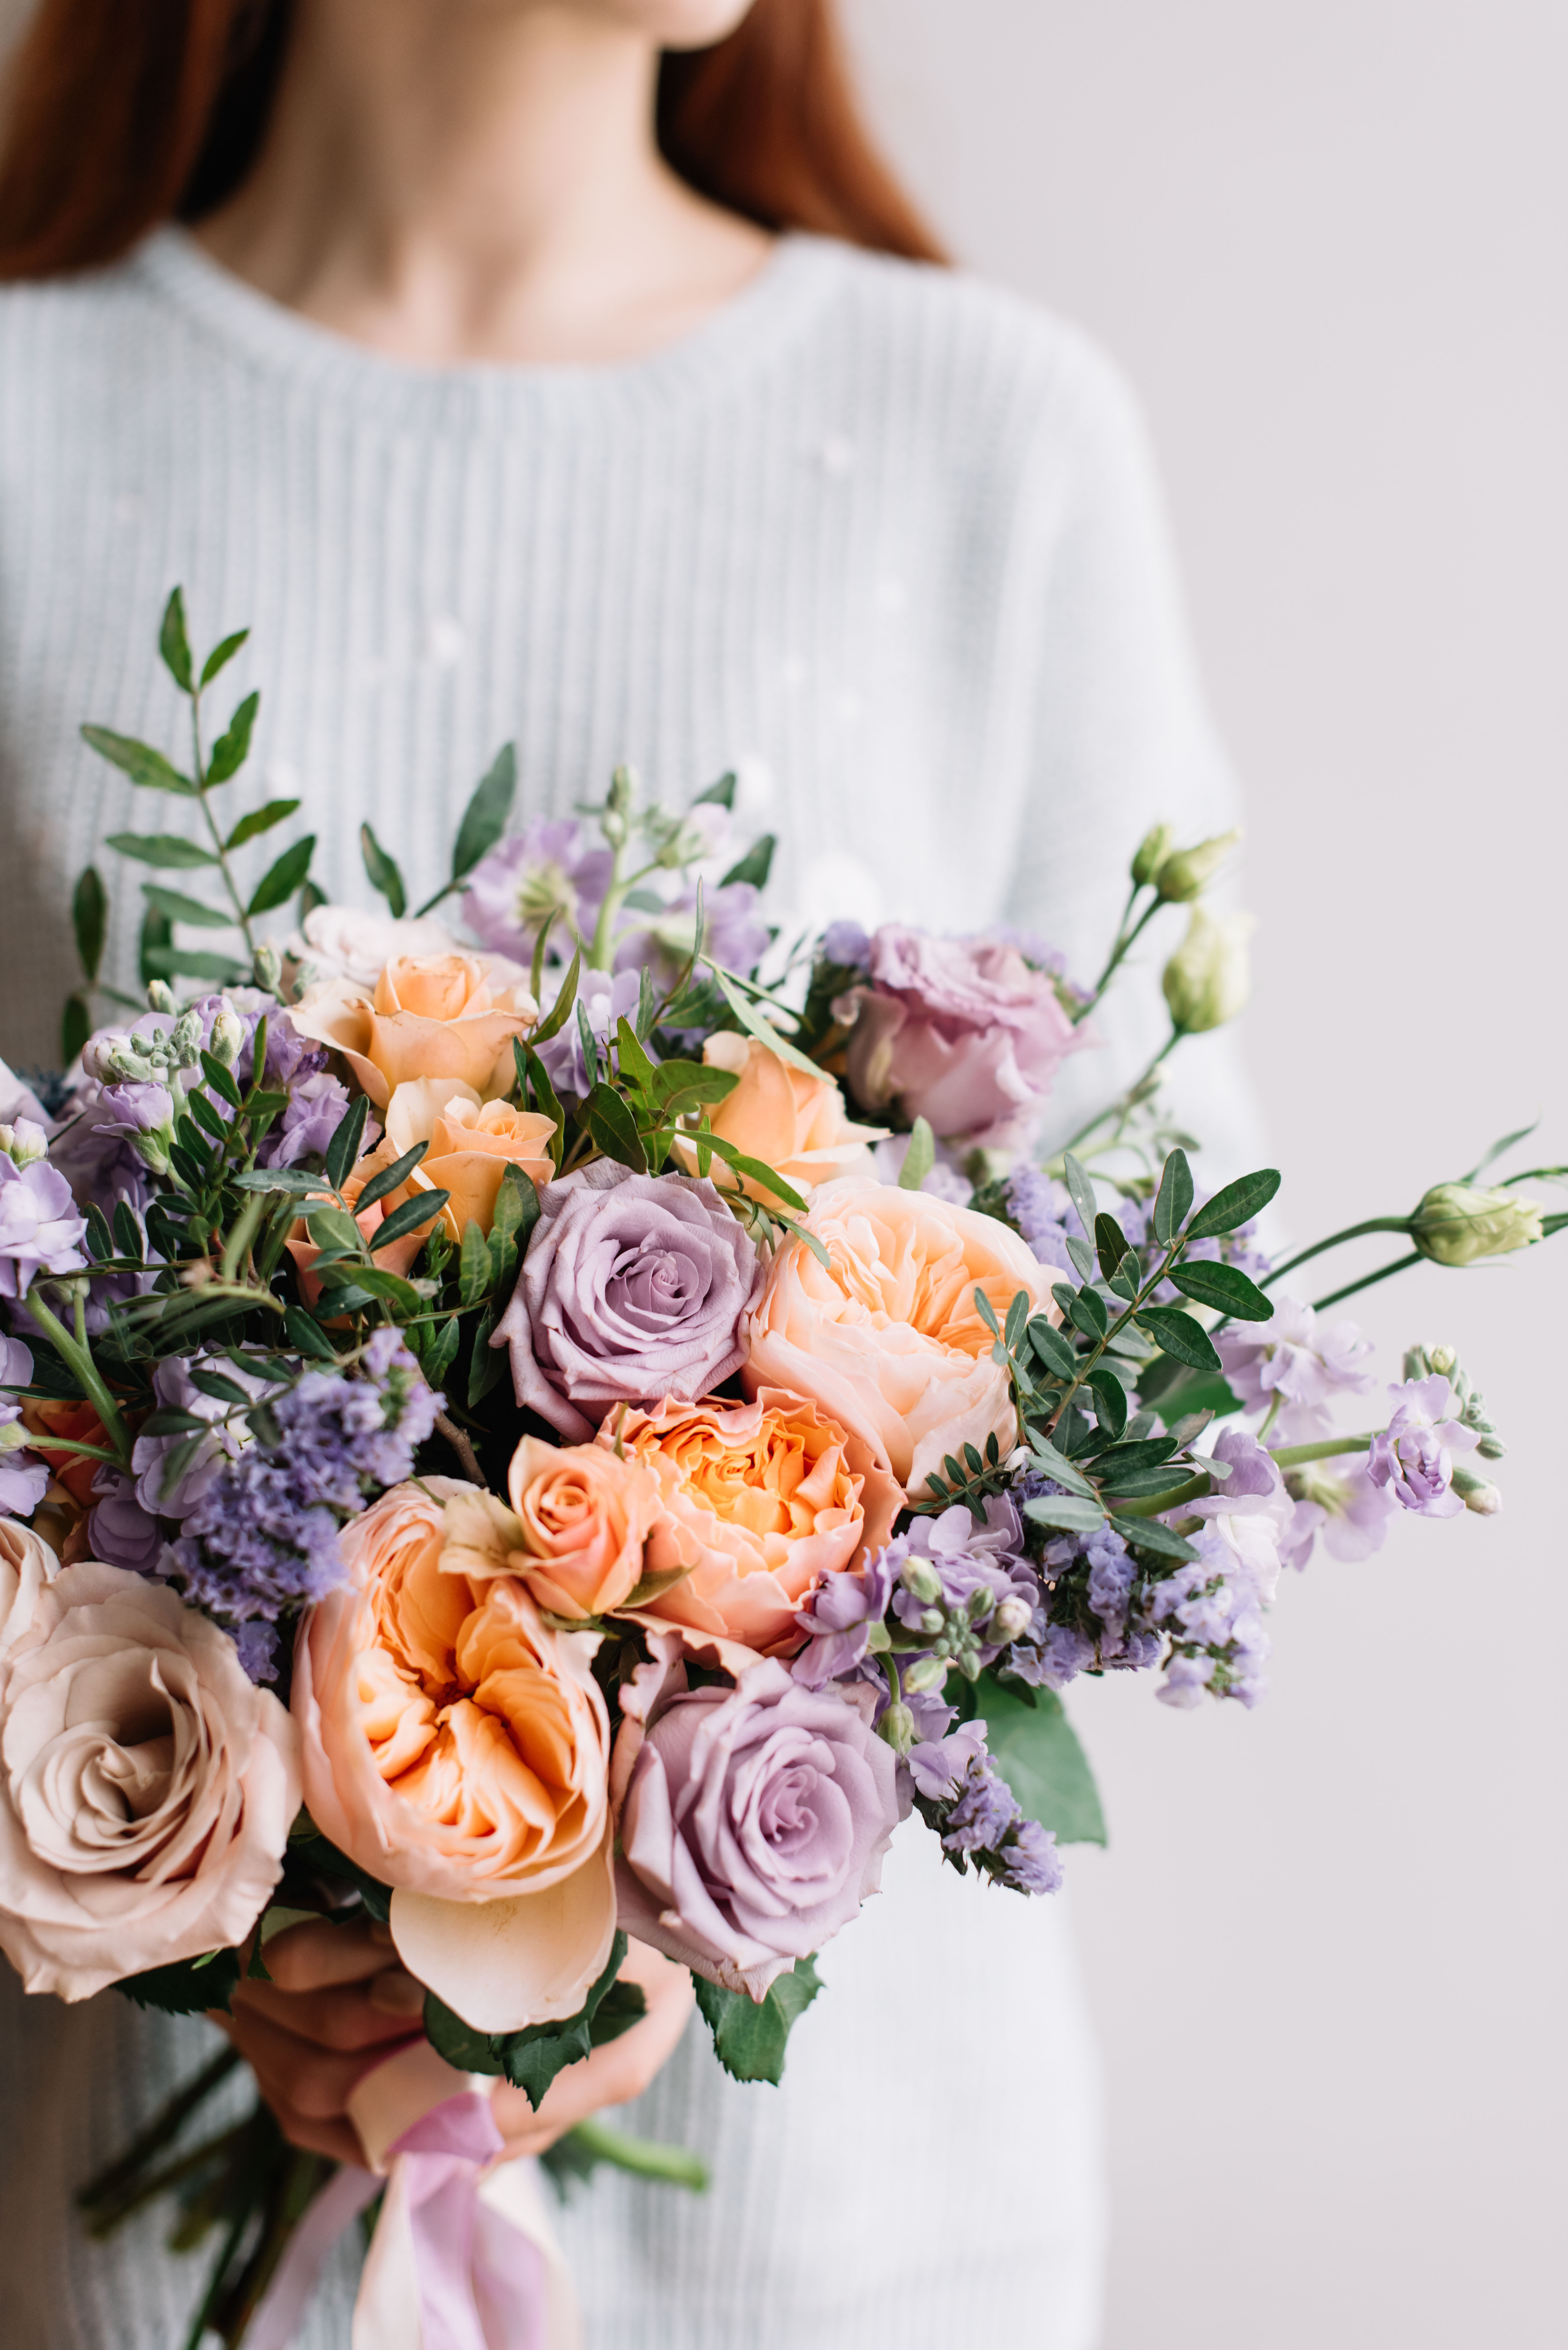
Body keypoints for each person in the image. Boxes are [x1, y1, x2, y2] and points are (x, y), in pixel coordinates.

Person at [0, 2, 1247, 2342]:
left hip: (861, 2250)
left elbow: (1157, 1380)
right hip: (129, 2247)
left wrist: (607, 1906)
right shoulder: (26, 423)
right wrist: (249, 1886)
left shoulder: (994, 439)